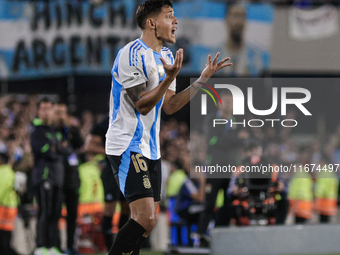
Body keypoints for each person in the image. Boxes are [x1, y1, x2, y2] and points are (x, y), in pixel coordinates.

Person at [105, 0, 232, 254]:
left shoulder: (165, 55)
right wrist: (168, 79)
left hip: (151, 150)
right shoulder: (131, 54)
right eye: (169, 16)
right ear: (152, 23)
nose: (175, 21)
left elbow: (171, 106)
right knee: (145, 218)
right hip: (127, 144)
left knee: (145, 221)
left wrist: (202, 80)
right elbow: (141, 104)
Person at [197, 91, 248, 247]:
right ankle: (201, 236)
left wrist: (230, 139)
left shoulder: (237, 121)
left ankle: (220, 236)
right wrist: (236, 139)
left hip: (231, 170)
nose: (228, 105)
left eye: (231, 102)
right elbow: (213, 140)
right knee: (210, 203)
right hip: (215, 168)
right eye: (225, 101)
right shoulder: (211, 119)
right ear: (219, 104)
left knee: (229, 204)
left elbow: (243, 141)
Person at [84, 116, 130, 251]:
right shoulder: (105, 123)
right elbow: (89, 146)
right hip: (111, 171)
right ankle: (110, 248)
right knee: (110, 209)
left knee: (127, 208)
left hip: (127, 169)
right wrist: (111, 153)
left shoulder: (132, 120)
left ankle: (122, 247)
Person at [30, 98, 65, 255]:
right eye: (43, 109)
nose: (46, 112)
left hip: (57, 177)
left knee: (55, 213)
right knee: (44, 212)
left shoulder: (53, 130)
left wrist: (56, 149)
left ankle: (52, 247)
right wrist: (56, 149)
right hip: (43, 176)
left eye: (49, 108)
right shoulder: (36, 130)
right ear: (38, 111)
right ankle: (40, 246)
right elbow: (47, 151)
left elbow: (63, 150)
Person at [53, 103, 84, 255]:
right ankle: (56, 246)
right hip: (57, 178)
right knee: (56, 215)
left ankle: (70, 246)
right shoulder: (51, 130)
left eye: (62, 112)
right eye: (57, 112)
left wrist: (70, 129)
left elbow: (80, 143)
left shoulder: (71, 129)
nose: (60, 116)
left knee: (72, 215)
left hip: (72, 179)